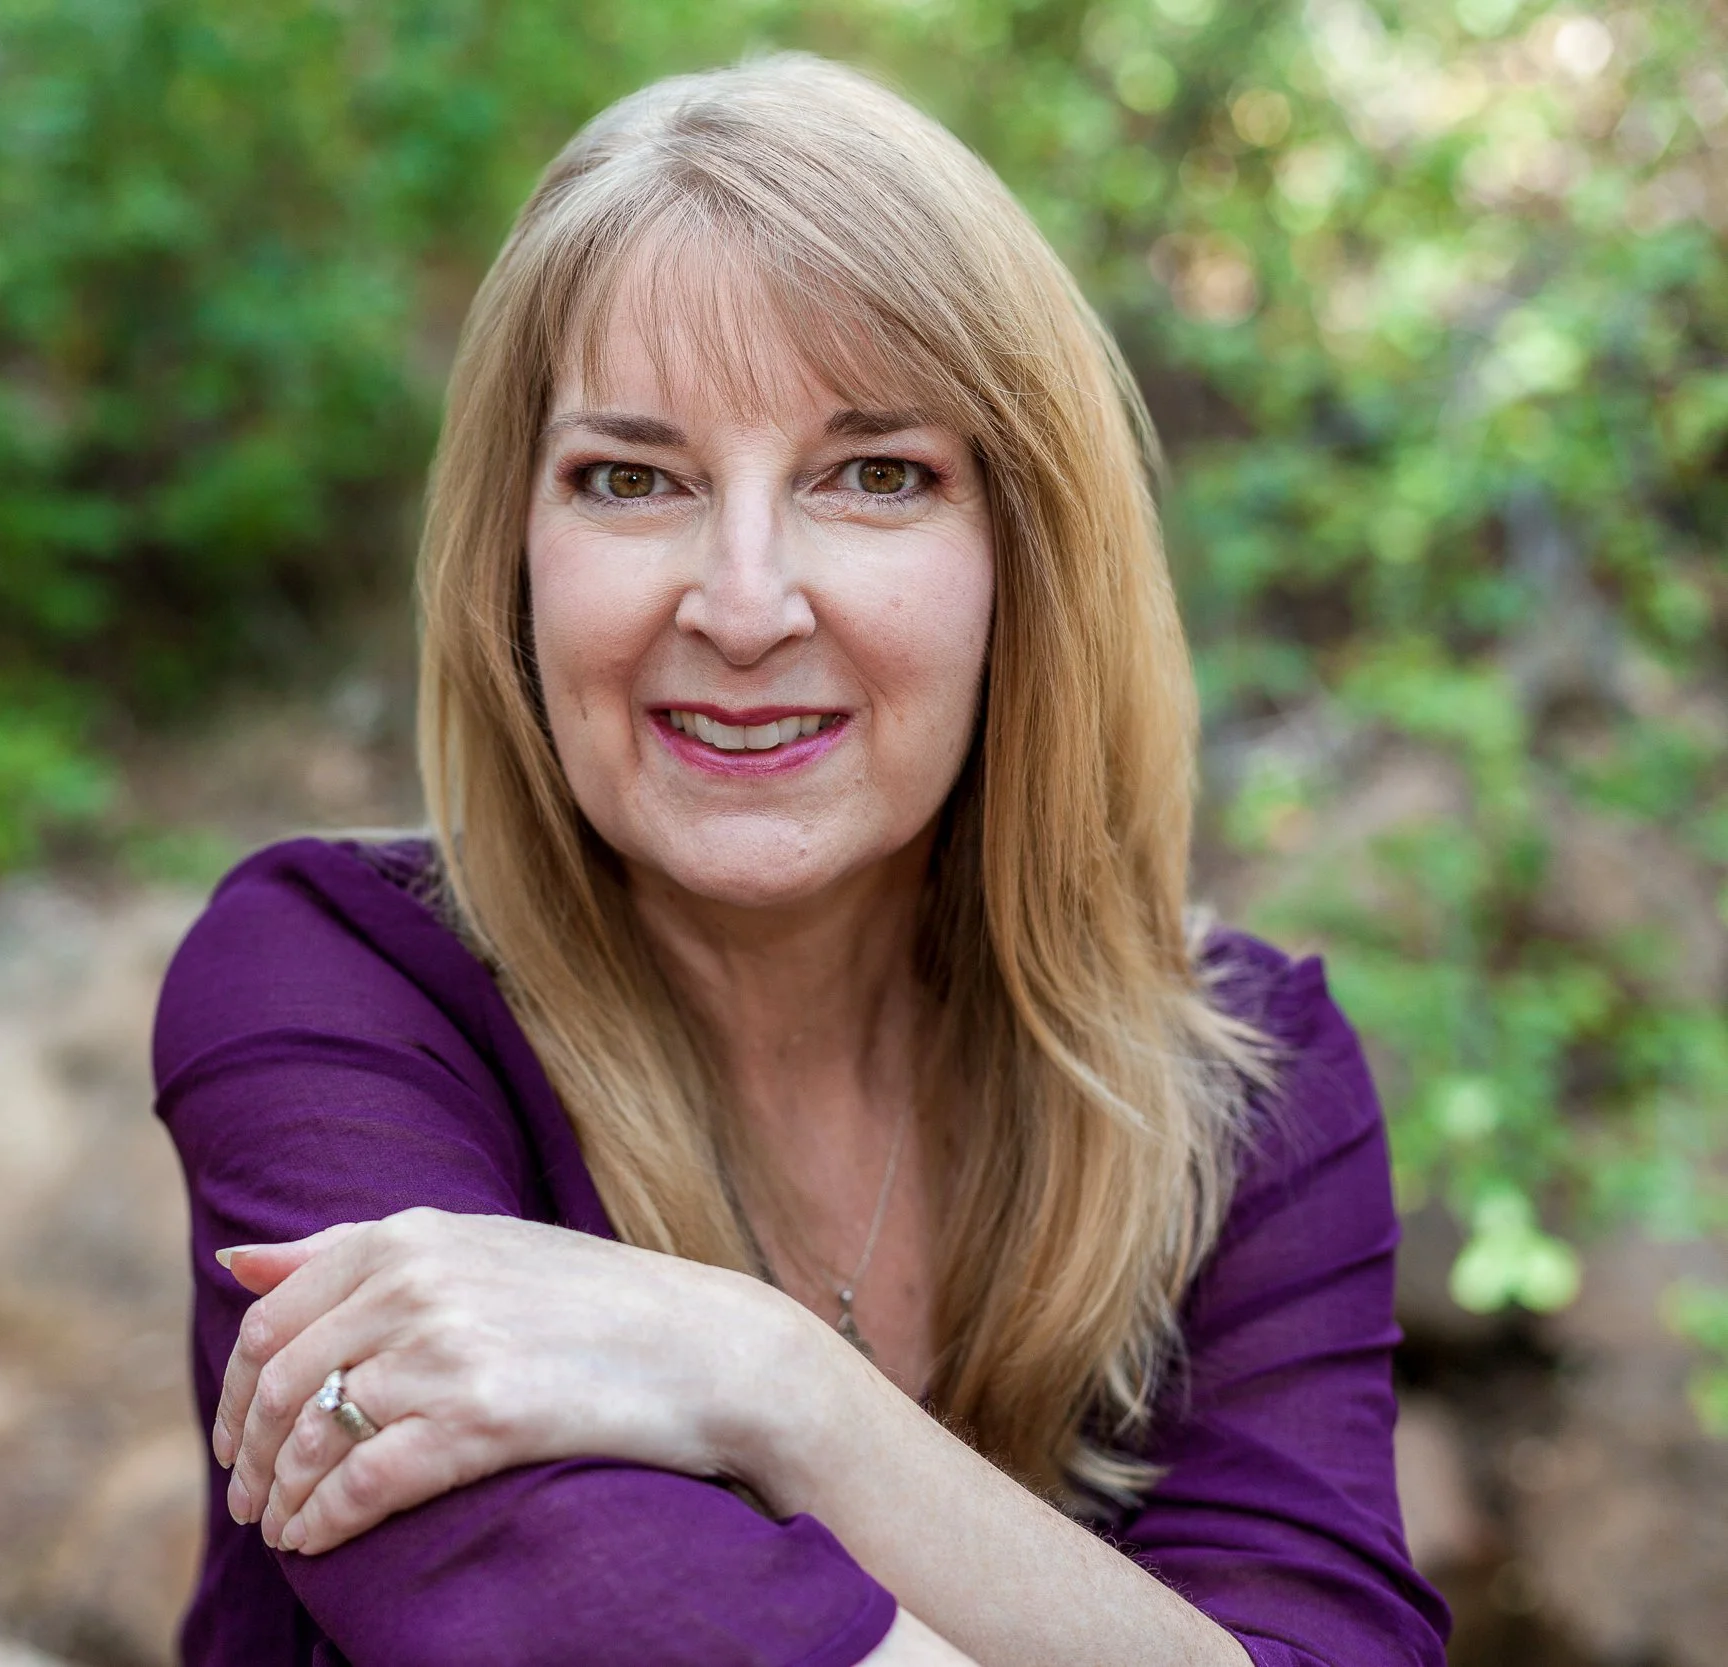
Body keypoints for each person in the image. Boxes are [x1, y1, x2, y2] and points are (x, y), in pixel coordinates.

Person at [152, 51, 1452, 1667]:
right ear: (513, 561)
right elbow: (579, 1606)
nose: (747, 603)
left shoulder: (1251, 1087)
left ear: (1021, 565)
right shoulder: (331, 985)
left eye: (875, 475)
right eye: (633, 478)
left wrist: (769, 1385)